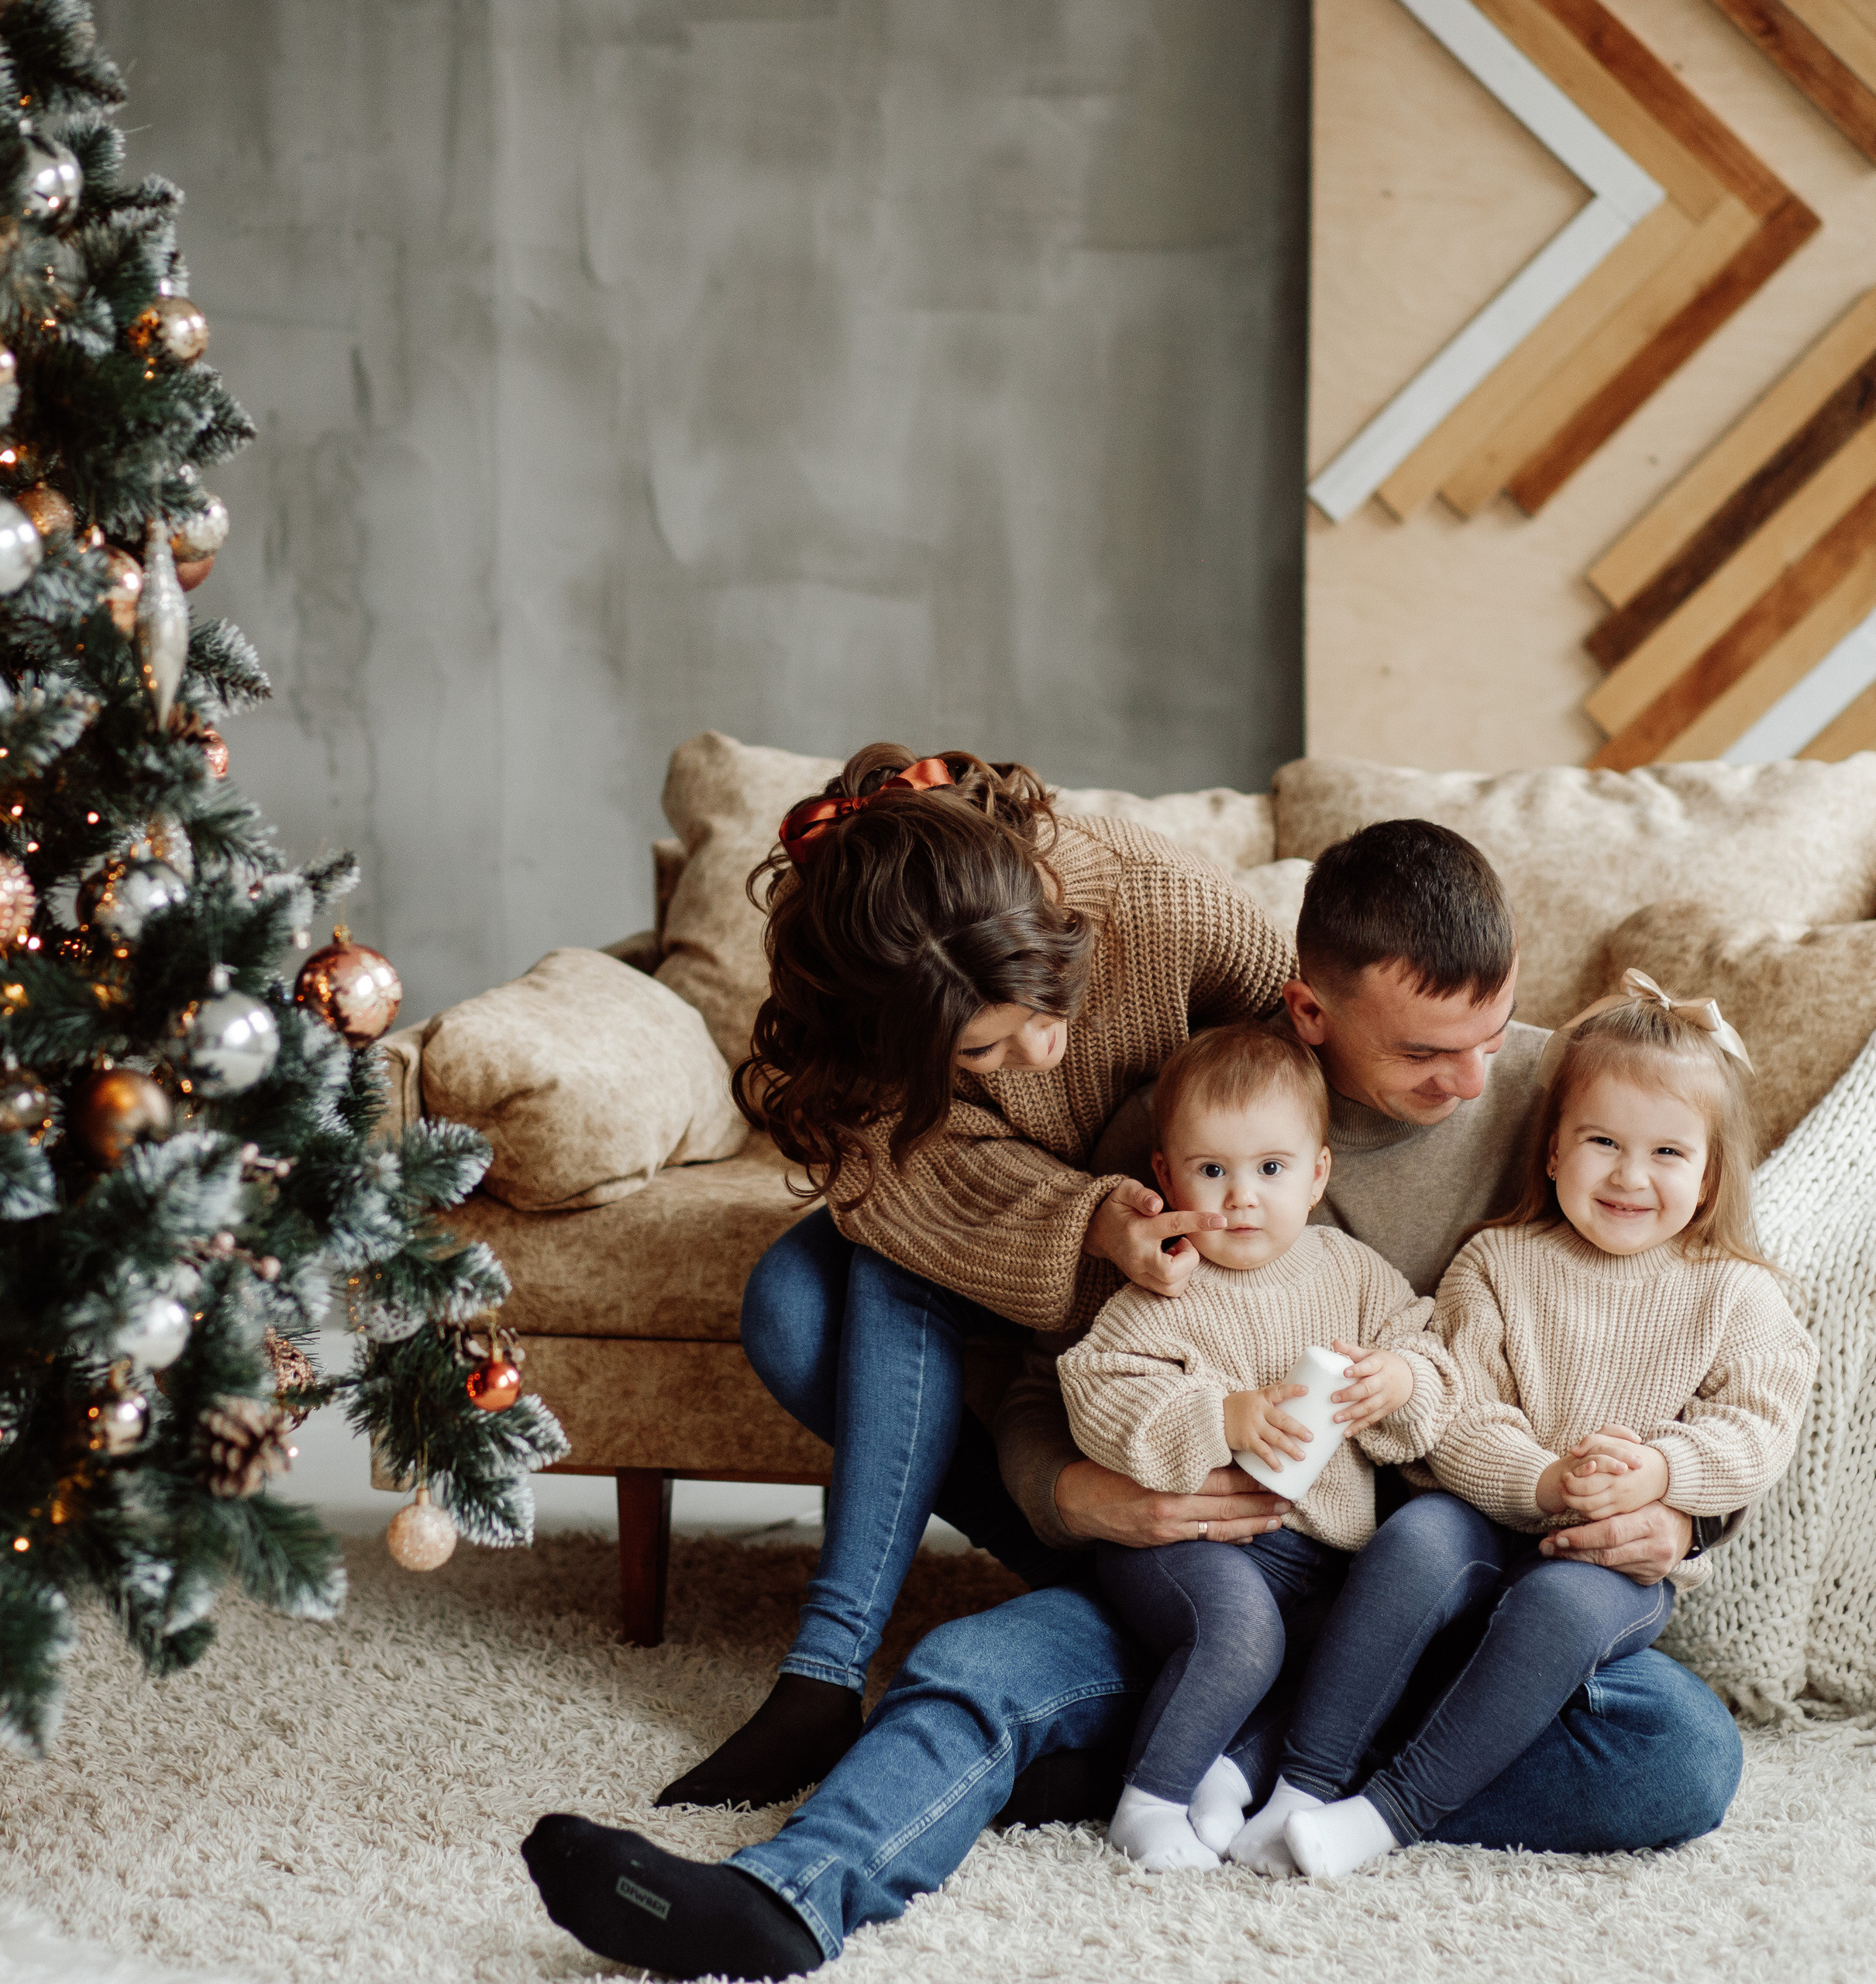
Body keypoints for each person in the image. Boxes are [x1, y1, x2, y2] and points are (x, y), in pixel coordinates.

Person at [522, 816, 1744, 1982]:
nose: (1474, 1077)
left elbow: (1717, 1317)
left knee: (1680, 1757)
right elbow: (1043, 1375)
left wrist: (1688, 1513)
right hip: (1223, 1577)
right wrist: (1081, 1496)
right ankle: (788, 1896)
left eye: (1492, 1027)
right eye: (1426, 1054)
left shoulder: (1569, 1107)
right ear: (1310, 1012)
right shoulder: (1181, 1131)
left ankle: (1231, 1761)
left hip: (1444, 1604)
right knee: (971, 1671)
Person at [649, 743, 1295, 1811]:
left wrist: (1166, 1195)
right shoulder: (859, 994)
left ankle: (839, 1667)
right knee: (794, 1305)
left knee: (866, 1275)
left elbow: (1306, 1059)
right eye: (983, 1055)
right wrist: (1088, 1218)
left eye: (1049, 1003)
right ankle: (842, 1665)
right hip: (1025, 1236)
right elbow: (895, 1185)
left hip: (1185, 1257)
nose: (1041, 1052)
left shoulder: (1156, 896)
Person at [1231, 973, 1815, 1880]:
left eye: (1667, 1151)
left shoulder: (1735, 1293)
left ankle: (1389, 1812)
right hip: (1482, 1519)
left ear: (1707, 1177)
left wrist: (1660, 1472)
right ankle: (1301, 1782)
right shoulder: (1499, 1262)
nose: (1629, 1175)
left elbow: (1757, 1426)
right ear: (1551, 1152)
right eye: (1601, 1141)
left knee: (1564, 1612)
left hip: (1603, 1567)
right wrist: (1542, 1481)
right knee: (1415, 1538)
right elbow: (1459, 1409)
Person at [1057, 1023, 1461, 1869]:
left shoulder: (1351, 1272)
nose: (1242, 1198)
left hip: (1323, 1556)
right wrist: (1220, 1418)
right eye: (1213, 1171)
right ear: (1166, 1176)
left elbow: (1428, 1351)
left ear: (1317, 1174)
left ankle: (1228, 1770)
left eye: (1271, 1169)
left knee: (1361, 1657)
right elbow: (1097, 1391)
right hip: (1194, 1545)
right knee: (1240, 1634)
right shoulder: (1166, 1285)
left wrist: (1398, 1381)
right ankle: (1150, 1799)